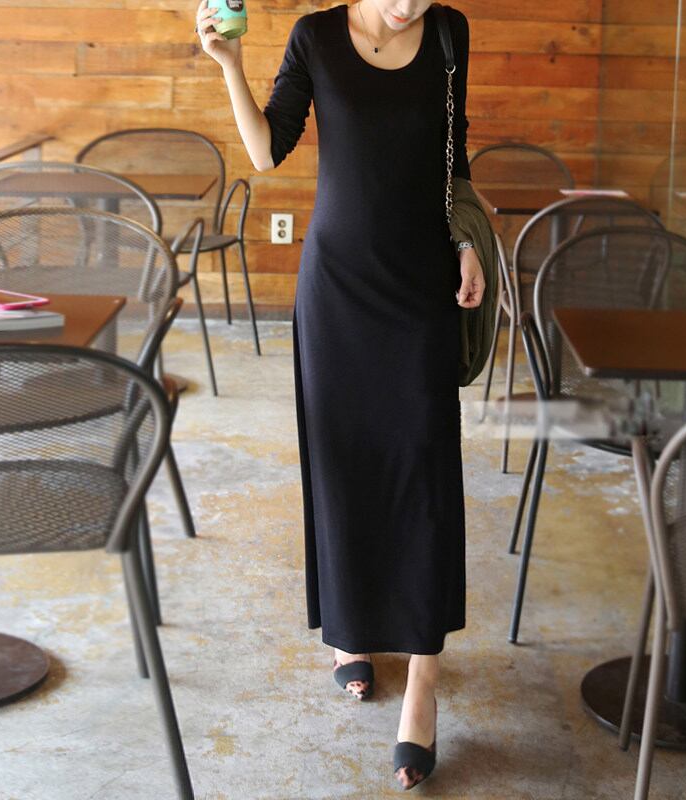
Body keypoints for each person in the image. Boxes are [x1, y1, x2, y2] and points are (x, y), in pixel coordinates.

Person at [195, 0, 484, 789]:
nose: (407, 4)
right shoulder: (316, 38)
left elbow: (453, 156)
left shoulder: (450, 32)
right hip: (338, 293)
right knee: (343, 467)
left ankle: (423, 677)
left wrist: (467, 242)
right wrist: (229, 65)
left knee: (426, 473)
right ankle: (351, 631)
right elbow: (267, 151)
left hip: (420, 290)